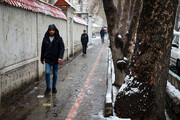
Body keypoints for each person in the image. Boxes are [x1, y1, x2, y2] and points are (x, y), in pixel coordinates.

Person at [41, 24, 65, 94]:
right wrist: (42, 58)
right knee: (47, 73)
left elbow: (62, 48)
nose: (51, 31)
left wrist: (60, 57)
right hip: (48, 59)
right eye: (50, 30)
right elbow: (43, 49)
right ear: (48, 31)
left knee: (55, 73)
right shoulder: (45, 38)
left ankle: (54, 87)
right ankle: (48, 88)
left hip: (56, 59)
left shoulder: (59, 39)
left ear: (55, 31)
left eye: (53, 30)